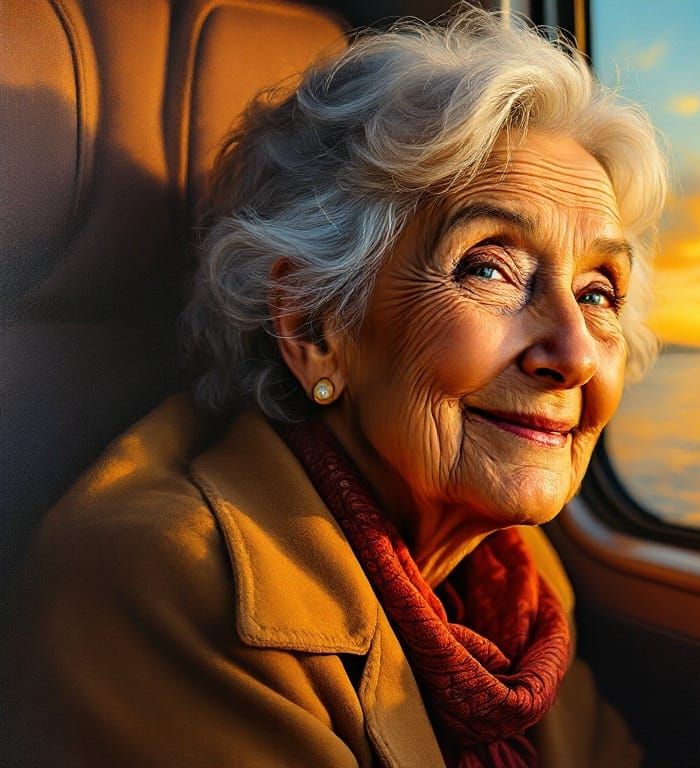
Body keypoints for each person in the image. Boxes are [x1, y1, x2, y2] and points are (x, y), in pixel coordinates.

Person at [10, 8, 666, 767]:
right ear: (316, 329)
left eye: (597, 292)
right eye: (489, 267)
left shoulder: (513, 576)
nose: (576, 354)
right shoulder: (167, 584)